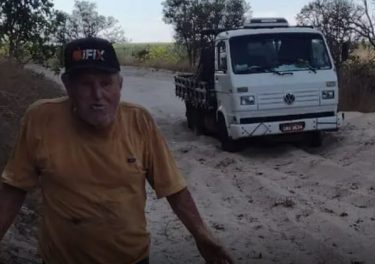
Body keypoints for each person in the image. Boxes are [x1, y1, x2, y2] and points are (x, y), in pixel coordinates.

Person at [0, 37, 234, 264]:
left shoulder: (138, 121)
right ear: (68, 86)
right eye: (85, 84)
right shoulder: (41, 119)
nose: (98, 96)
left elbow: (173, 188)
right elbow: (14, 188)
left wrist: (202, 235)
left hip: (132, 258)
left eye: (106, 83)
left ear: (120, 85)